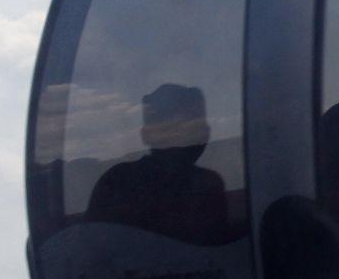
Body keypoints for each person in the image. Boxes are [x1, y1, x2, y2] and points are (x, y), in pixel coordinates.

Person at [86, 82, 233, 244]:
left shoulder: (209, 184)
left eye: (196, 127)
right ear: (146, 136)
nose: (193, 136)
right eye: (174, 129)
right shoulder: (116, 183)